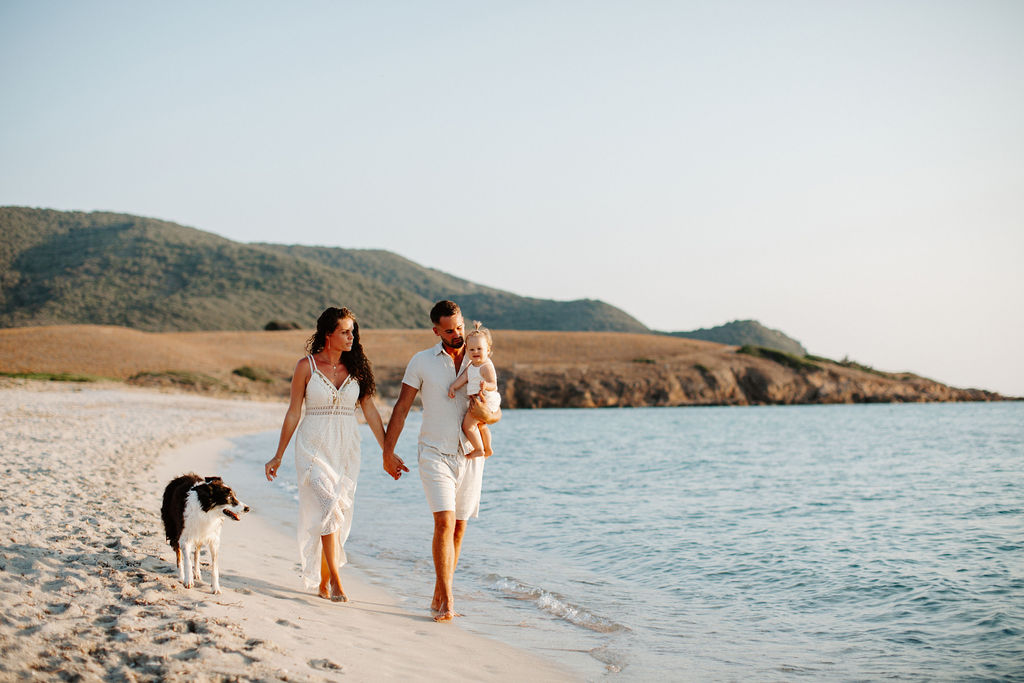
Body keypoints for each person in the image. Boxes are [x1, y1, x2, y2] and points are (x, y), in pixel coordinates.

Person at [381, 300, 501, 622]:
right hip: (434, 451)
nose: (457, 334)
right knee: (444, 522)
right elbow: (402, 407)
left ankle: (439, 589)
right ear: (436, 330)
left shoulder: (480, 358)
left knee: (459, 528)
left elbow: (497, 412)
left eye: (460, 327)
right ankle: (448, 601)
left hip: (470, 455)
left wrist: (486, 413)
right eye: (449, 331)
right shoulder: (421, 362)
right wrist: (387, 451)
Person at [265, 307, 386, 602]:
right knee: (328, 504)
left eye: (353, 331)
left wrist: (388, 451)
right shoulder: (305, 367)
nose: (351, 336)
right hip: (312, 447)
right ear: (328, 334)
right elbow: (294, 412)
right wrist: (278, 455)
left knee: (336, 512)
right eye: (345, 331)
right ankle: (336, 582)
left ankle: (323, 578)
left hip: (346, 449)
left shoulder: (357, 369)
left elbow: (370, 411)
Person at [447, 321, 500, 458]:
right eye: (471, 350)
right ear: (467, 350)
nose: (475, 352)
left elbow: (493, 384)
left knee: (468, 426)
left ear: (487, 350)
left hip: (484, 400)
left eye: (479, 349)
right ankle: (488, 448)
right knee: (481, 426)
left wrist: (485, 386)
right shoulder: (472, 365)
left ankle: (478, 449)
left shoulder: (485, 366)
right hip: (478, 399)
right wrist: (454, 386)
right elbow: (464, 377)